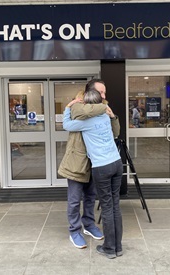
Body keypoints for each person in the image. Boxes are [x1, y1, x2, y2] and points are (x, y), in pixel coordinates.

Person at [58, 79, 120, 250]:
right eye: (101, 92)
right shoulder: (79, 105)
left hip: (97, 162)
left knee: (90, 197)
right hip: (78, 161)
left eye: (104, 93)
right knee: (74, 199)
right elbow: (73, 121)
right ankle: (74, 231)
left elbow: (115, 133)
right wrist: (68, 107)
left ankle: (89, 225)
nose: (104, 96)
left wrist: (113, 117)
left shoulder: (101, 107)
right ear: (89, 92)